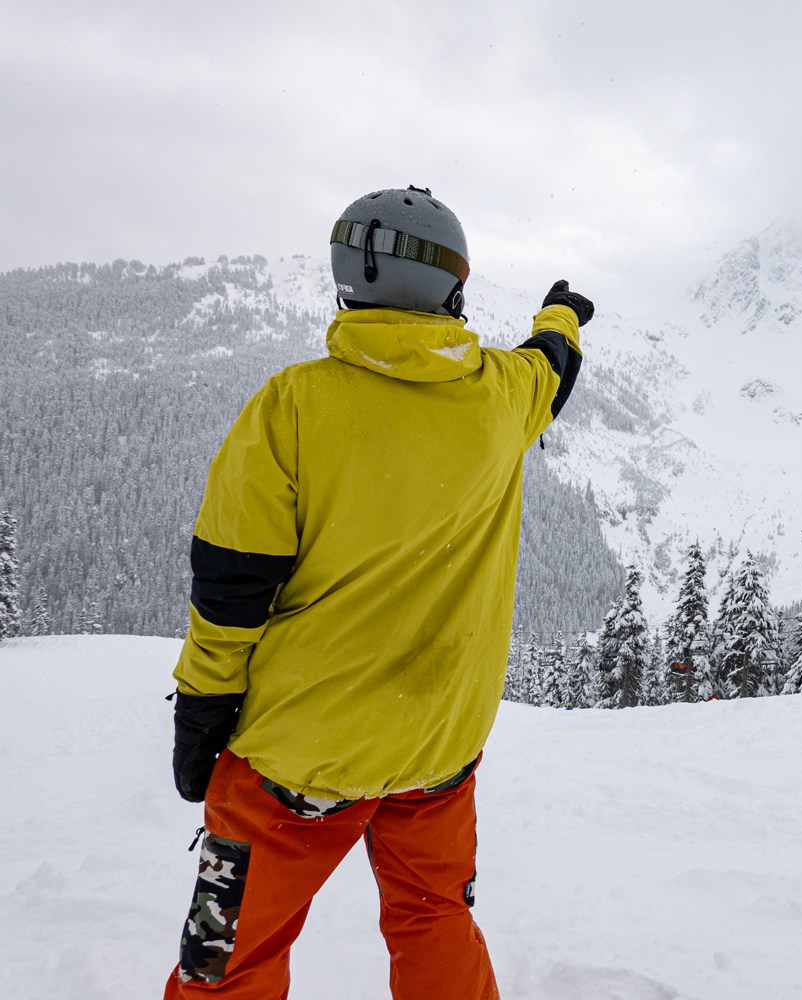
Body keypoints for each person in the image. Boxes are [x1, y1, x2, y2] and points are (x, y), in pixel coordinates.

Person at [164, 186, 590, 999]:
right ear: (453, 287)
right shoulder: (502, 397)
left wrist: (202, 709)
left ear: (345, 280)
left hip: (295, 761)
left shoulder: (290, 407)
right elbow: (552, 365)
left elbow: (230, 592)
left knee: (223, 960)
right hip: (438, 751)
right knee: (435, 919)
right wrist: (561, 314)